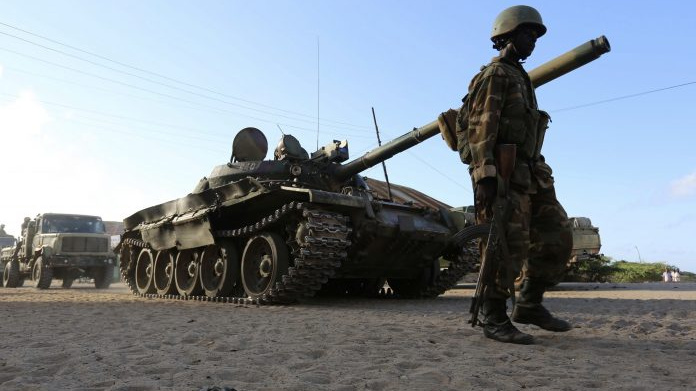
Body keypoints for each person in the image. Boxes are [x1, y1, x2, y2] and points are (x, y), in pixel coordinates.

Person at [462, 5, 573, 344]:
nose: (533, 42)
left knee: (557, 234)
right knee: (505, 244)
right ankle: (494, 317)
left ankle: (528, 303)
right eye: (527, 34)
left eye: (536, 36)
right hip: (502, 172)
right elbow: (481, 126)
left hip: (530, 171)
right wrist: (485, 176)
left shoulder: (519, 77)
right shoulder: (495, 74)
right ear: (507, 36)